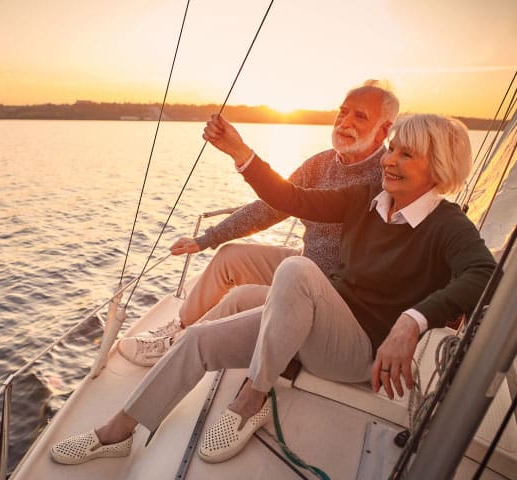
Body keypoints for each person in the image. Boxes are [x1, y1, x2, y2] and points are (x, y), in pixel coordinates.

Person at [50, 113, 496, 465]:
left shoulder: (448, 225)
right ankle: (118, 432)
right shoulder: (366, 199)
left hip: (359, 353)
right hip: (324, 322)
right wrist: (241, 154)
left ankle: (253, 396)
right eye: (392, 148)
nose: (389, 160)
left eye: (406, 155)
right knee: (200, 339)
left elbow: (482, 275)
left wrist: (411, 321)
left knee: (297, 270)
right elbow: (293, 199)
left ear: (438, 166)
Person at [117, 81, 400, 367]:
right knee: (229, 257)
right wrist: (206, 239)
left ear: (384, 130)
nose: (345, 122)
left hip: (332, 293)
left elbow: (290, 199)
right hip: (305, 262)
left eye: (360, 116)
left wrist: (240, 152)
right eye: (343, 111)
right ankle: (181, 326)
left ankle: (181, 349)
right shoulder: (321, 163)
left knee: (241, 297)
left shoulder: (388, 178)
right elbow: (271, 207)